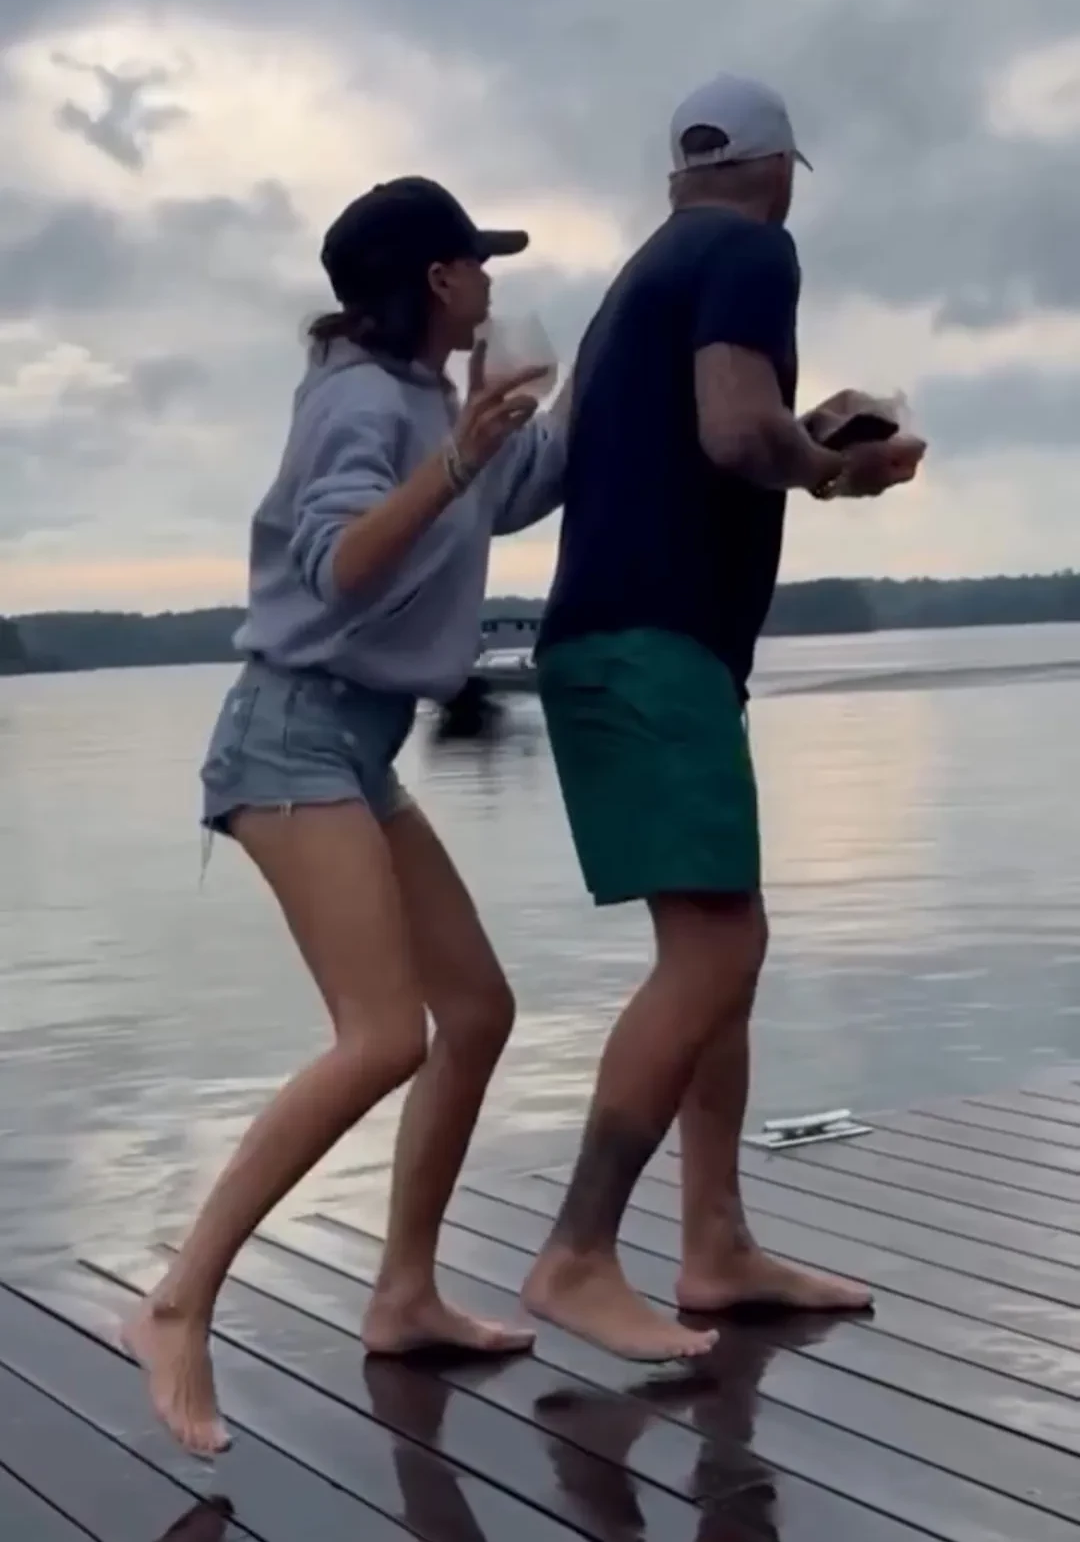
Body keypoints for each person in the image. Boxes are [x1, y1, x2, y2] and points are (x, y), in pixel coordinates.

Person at [125, 176, 569, 1453]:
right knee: (382, 1037)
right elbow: (338, 564)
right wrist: (459, 455)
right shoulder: (358, 403)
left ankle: (404, 1293)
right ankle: (176, 1302)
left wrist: (585, 388)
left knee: (475, 1010)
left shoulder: (428, 399)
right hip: (290, 735)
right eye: (477, 264)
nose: (490, 282)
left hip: (355, 748)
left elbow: (516, 485)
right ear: (437, 279)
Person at [522, 73, 926, 1360]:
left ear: (680, 172)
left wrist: (798, 440)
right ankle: (577, 1252)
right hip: (653, 649)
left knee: (718, 949)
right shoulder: (753, 252)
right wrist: (837, 467)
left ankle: (716, 1241)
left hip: (626, 645)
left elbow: (693, 437)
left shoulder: (639, 279)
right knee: (718, 951)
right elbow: (738, 432)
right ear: (779, 170)